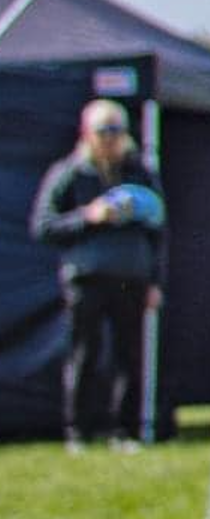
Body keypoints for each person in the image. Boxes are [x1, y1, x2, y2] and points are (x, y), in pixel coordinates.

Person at [32, 99, 166, 453]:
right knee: (84, 355)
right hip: (86, 278)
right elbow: (44, 226)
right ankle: (78, 431)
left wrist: (155, 281)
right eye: (102, 131)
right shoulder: (71, 173)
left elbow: (158, 232)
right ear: (86, 133)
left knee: (129, 357)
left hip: (131, 277)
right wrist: (88, 216)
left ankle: (125, 431)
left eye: (116, 131)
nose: (109, 139)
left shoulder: (139, 172)